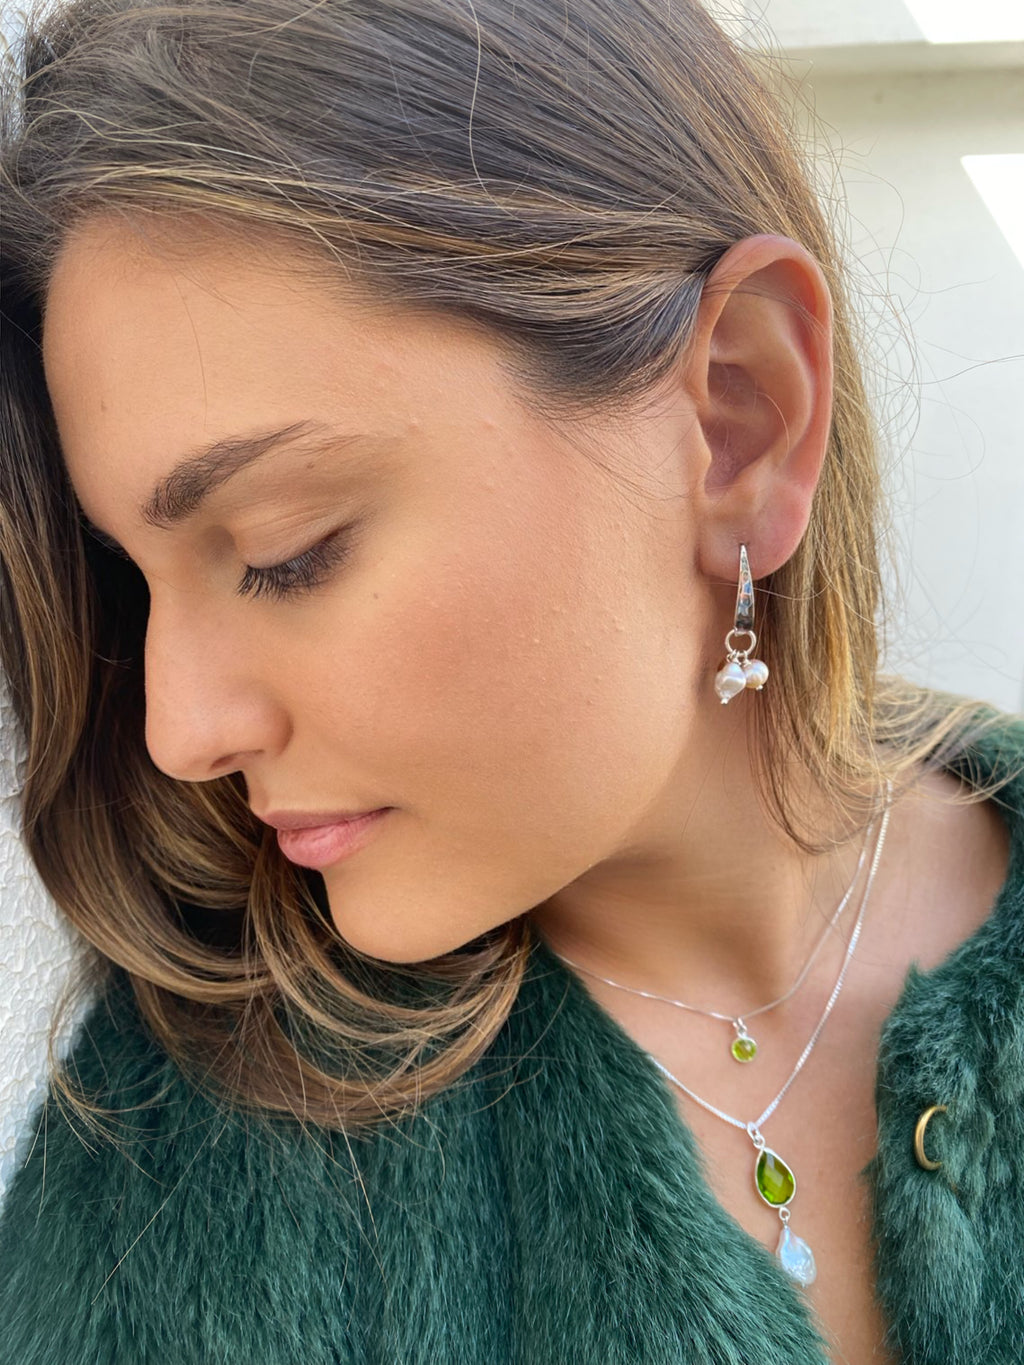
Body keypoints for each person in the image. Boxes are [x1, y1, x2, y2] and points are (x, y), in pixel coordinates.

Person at [0, 1, 1021, 1362]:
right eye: (136, 582)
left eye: (286, 553)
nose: (181, 729)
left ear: (737, 417)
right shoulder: (173, 1173)